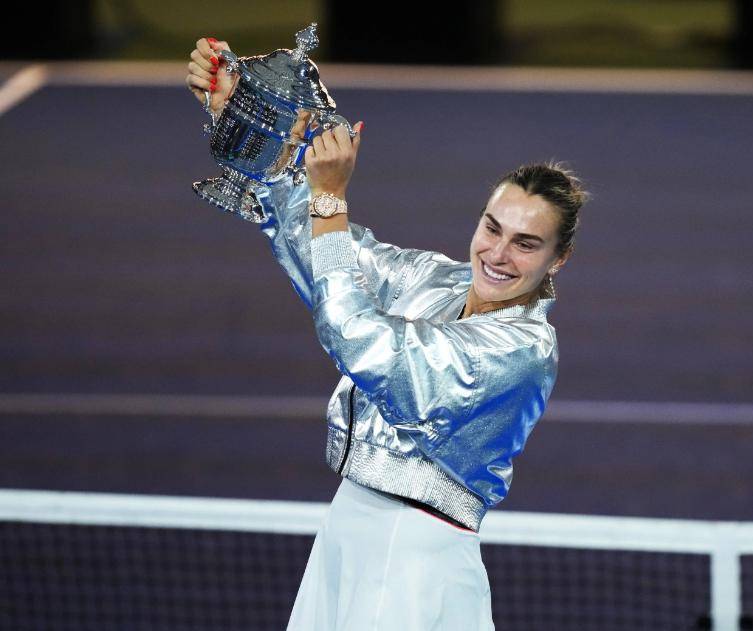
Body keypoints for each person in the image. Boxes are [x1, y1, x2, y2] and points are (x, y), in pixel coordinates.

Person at [186, 37, 589, 631]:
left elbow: (361, 340)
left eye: (526, 244)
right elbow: (334, 258)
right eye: (492, 228)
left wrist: (330, 197)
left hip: (413, 557)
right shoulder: (438, 279)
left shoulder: (522, 352)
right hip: (348, 527)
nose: (498, 254)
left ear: (559, 259)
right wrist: (246, 124)